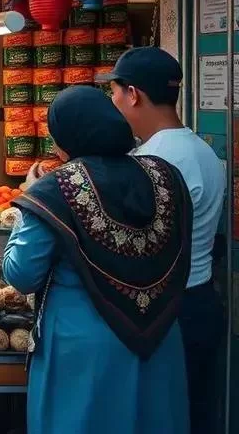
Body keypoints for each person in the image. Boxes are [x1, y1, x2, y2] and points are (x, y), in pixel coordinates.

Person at [3, 86, 191, 434]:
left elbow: (21, 273)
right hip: (159, 338)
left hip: (82, 346)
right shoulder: (165, 175)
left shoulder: (54, 189)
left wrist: (26, 204)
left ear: (66, 138)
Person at [97, 47, 226, 432]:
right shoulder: (200, 150)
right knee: (195, 415)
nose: (113, 101)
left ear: (133, 94)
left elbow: (134, 245)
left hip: (169, 312)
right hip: (199, 301)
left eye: (115, 91)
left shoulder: (152, 162)